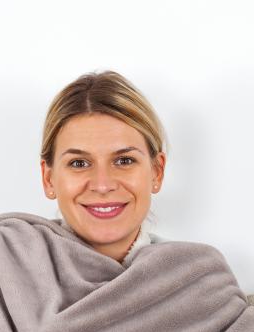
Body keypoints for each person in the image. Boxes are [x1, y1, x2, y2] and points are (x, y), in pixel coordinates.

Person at [38, 70, 167, 268]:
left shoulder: (201, 282)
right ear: (48, 179)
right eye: (79, 163)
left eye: (124, 161)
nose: (102, 185)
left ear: (157, 172)